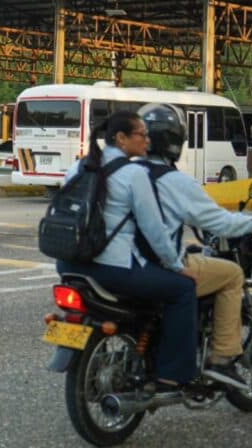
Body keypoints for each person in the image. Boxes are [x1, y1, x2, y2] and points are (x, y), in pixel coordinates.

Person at [55, 110, 199, 396]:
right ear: (121, 138)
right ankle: (172, 376)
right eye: (141, 135)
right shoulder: (134, 174)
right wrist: (175, 265)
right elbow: (154, 230)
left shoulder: (80, 167)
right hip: (112, 269)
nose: (148, 140)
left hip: (69, 265)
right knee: (183, 289)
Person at [137, 103, 252, 389]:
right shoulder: (175, 181)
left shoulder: (124, 173)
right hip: (160, 264)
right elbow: (220, 222)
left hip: (123, 263)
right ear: (176, 142)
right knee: (232, 275)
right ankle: (221, 359)